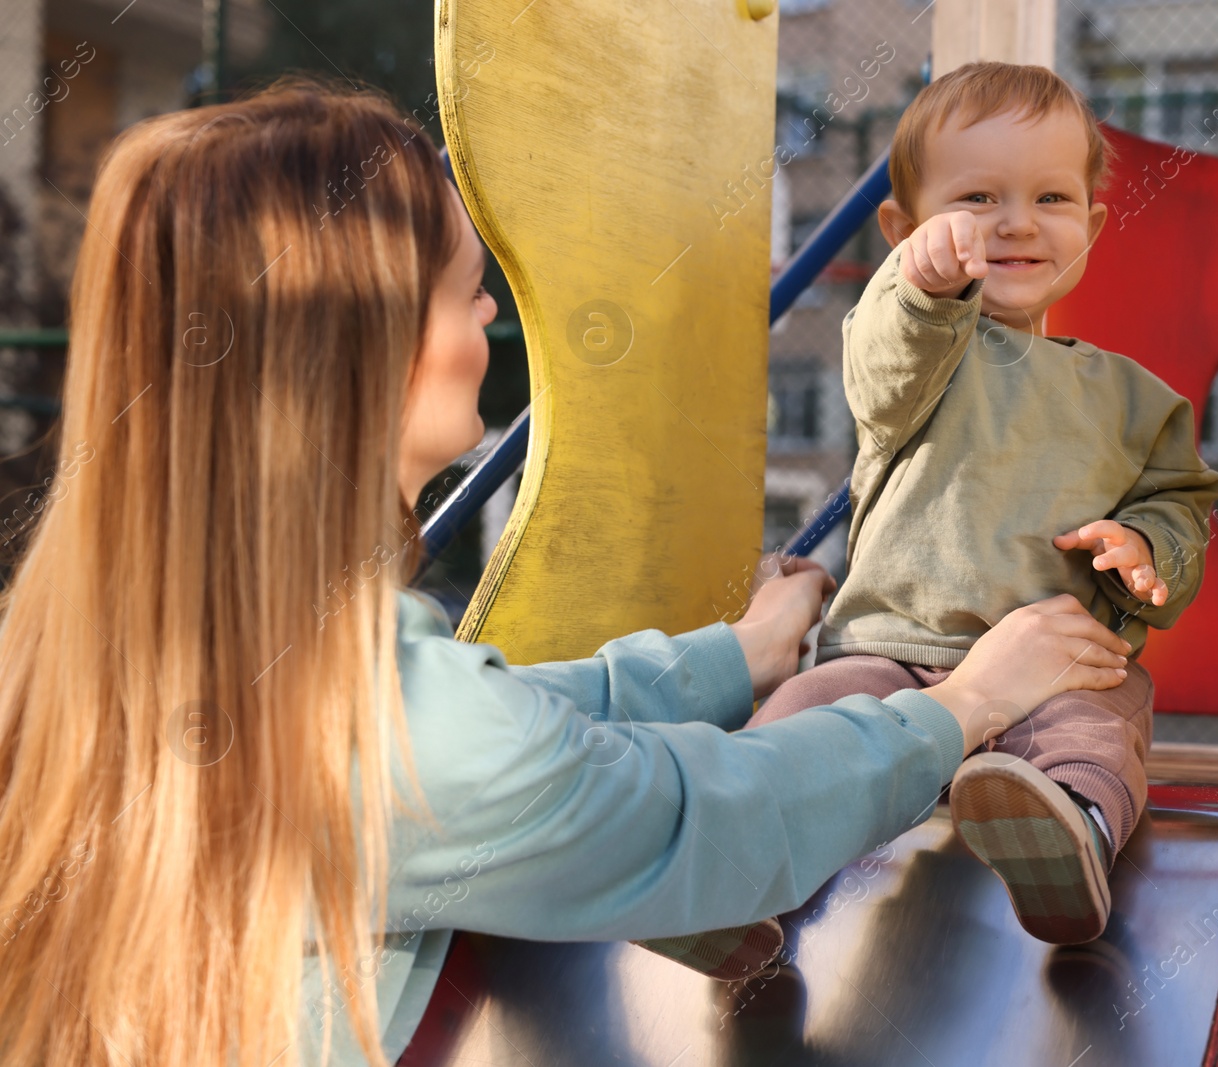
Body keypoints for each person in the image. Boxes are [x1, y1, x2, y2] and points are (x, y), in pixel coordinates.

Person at [0, 79, 1138, 1067]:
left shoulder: (110, 637)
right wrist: (968, 700)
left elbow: (506, 710)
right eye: (463, 289)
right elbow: (699, 821)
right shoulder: (398, 728)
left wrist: (729, 659)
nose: (491, 313)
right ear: (355, 353)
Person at [750, 63, 1218, 946]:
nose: (1014, 221)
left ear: (1089, 226)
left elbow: (1181, 507)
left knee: (1101, 726)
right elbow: (886, 356)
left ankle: (1063, 837)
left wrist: (1146, 548)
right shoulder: (925, 349)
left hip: (1058, 671)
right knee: (797, 721)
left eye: (1050, 196)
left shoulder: (1134, 398)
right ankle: (735, 888)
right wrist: (921, 285)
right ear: (904, 229)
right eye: (976, 196)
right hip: (891, 654)